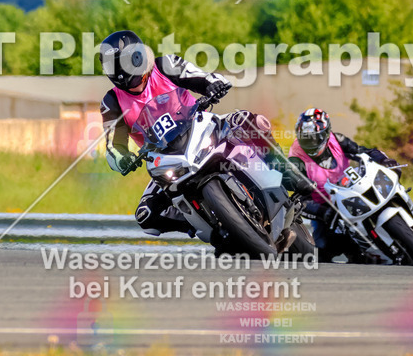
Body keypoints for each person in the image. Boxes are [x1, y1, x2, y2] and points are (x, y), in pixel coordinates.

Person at [98, 30, 313, 237]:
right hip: (163, 156)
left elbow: (200, 76)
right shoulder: (112, 102)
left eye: (120, 62)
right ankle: (205, 229)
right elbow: (112, 146)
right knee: (146, 215)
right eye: (111, 64)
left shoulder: (165, 66)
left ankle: (286, 171)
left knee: (250, 120)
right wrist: (122, 159)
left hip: (199, 126)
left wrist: (215, 84)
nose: (117, 70)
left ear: (136, 57)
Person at [287, 108, 399, 262]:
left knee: (388, 186)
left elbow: (362, 151)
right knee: (322, 251)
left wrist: (383, 160)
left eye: (315, 137)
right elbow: (298, 200)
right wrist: (322, 212)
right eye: (306, 138)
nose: (311, 143)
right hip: (328, 207)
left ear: (326, 133)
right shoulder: (296, 157)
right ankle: (362, 257)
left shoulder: (337, 140)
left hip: (355, 190)